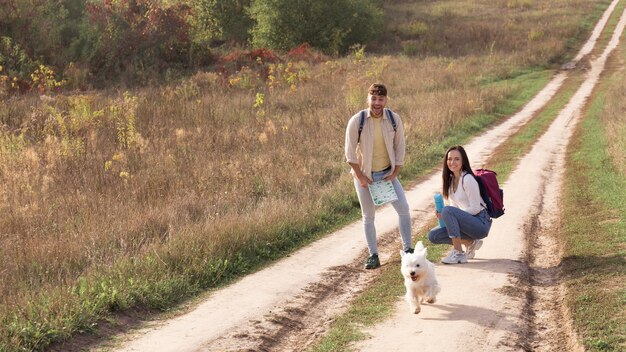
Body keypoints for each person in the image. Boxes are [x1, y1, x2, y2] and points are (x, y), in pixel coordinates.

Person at [345, 83, 413, 269]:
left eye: (380, 99)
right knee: (368, 216)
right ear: (368, 99)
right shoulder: (357, 121)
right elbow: (349, 153)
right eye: (373, 98)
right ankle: (373, 255)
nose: (377, 102)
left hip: (386, 175)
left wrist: (395, 172)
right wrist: (360, 177)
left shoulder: (393, 119)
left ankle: (408, 251)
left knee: (404, 208)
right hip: (364, 176)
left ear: (386, 100)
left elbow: (400, 147)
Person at [428, 145, 491, 264]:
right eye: (450, 159)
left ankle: (458, 253)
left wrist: (452, 214)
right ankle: (471, 243)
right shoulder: (451, 182)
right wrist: (444, 215)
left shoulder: (467, 179)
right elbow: (455, 207)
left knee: (448, 210)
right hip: (468, 223)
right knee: (433, 235)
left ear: (463, 161)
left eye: (457, 159)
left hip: (481, 222)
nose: (452, 162)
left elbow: (476, 208)